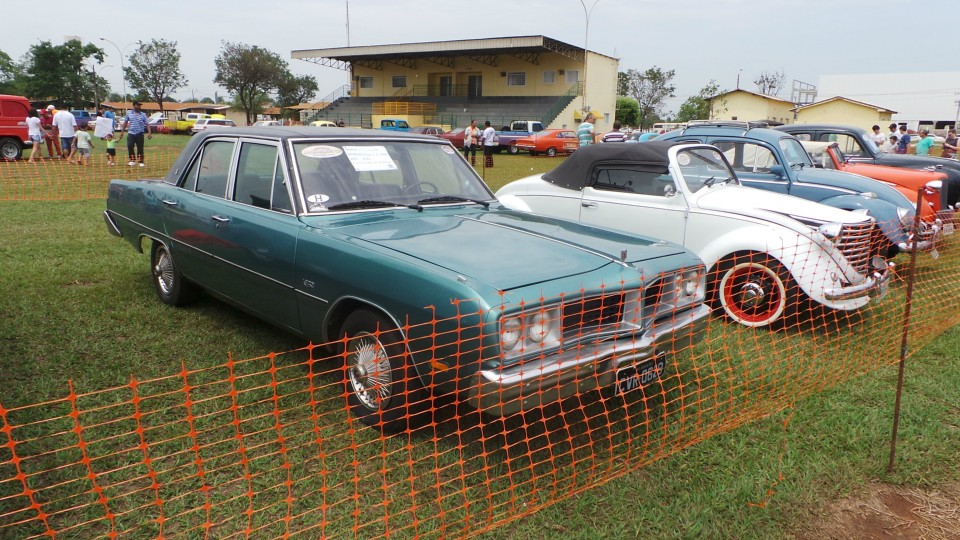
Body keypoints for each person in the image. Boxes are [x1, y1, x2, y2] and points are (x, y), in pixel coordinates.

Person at [119, 101, 153, 167]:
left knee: (140, 148)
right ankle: (132, 160)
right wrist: (122, 132)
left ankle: (141, 162)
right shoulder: (129, 113)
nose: (139, 107)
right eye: (138, 105)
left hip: (140, 133)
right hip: (131, 133)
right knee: (130, 146)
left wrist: (149, 133)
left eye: (140, 105)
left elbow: (147, 124)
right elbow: (125, 123)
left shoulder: (143, 114)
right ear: (134, 106)